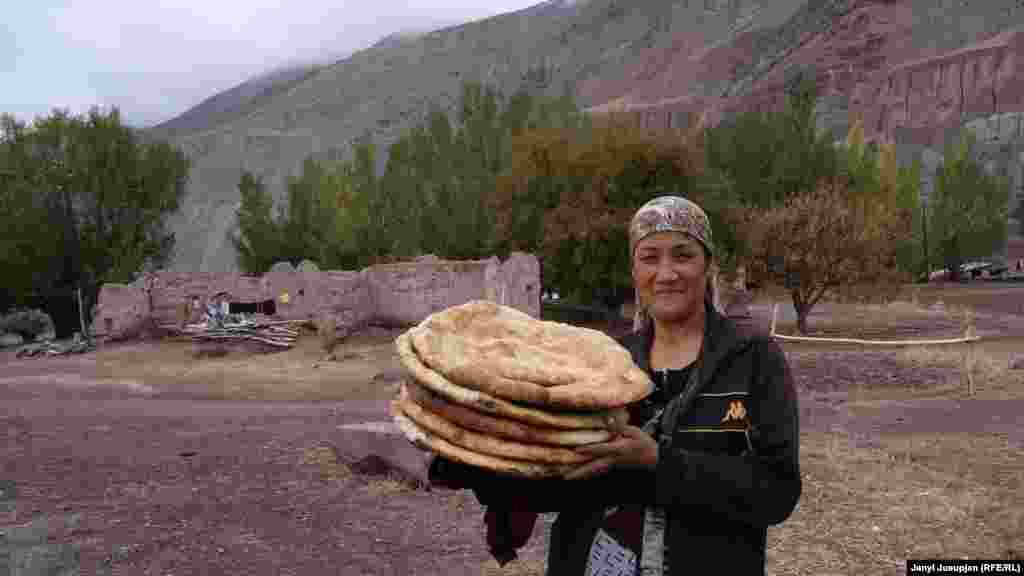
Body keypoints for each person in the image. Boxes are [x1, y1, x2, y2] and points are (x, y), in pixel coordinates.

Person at [428, 195, 802, 575]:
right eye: (650, 257)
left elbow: (776, 492)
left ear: (707, 264)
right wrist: (462, 455)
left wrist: (659, 463)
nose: (667, 273)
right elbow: (561, 481)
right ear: (634, 270)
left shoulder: (750, 358)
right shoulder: (607, 363)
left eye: (683, 255)